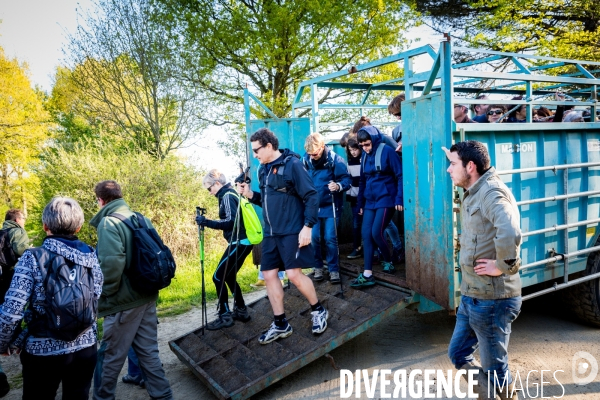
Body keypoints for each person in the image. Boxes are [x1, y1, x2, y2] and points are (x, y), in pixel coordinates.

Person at [0, 197, 103, 400]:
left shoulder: (32, 258)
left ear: (45, 226)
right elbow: (95, 298)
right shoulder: (91, 256)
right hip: (85, 348)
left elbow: (12, 310)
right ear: (79, 227)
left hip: (42, 353)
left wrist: (4, 344)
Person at [445, 141, 522, 400]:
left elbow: (510, 229)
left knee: (495, 369)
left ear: (470, 166)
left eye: (453, 164)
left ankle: (502, 396)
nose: (448, 170)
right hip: (472, 294)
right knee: (458, 354)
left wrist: (503, 266)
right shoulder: (474, 189)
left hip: (492, 299)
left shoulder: (490, 192)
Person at [238, 128, 328, 344]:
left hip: (291, 231)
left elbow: (311, 196)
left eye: (257, 150)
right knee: (269, 275)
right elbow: (268, 200)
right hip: (271, 233)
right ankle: (280, 324)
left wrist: (308, 227)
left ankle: (318, 310)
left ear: (269, 146)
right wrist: (250, 194)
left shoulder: (293, 165)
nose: (255, 154)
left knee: (294, 275)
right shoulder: (263, 169)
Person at [91, 180, 173, 400]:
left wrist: (105, 294)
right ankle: (163, 396)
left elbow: (111, 264)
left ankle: (102, 398)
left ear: (100, 200)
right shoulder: (139, 217)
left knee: (110, 357)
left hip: (124, 303)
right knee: (149, 353)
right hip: (147, 295)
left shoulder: (109, 223)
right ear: (119, 195)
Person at [195, 169, 254, 329]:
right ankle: (241, 310)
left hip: (239, 241)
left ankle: (225, 315)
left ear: (218, 183)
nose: (209, 192)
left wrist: (206, 222)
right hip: (243, 241)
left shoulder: (227, 196)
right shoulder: (229, 195)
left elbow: (230, 222)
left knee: (218, 277)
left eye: (210, 188)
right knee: (228, 276)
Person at [350, 125, 403, 288]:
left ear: (373, 140)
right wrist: (360, 204)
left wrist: (399, 199)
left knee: (376, 232)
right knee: (366, 234)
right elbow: (363, 181)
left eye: (367, 144)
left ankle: (389, 259)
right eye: (362, 145)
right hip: (370, 201)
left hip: (386, 198)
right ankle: (367, 274)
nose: (364, 148)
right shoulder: (365, 157)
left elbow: (400, 175)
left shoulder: (387, 151)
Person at [302, 133, 351, 284]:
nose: (313, 156)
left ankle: (333, 269)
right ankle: (317, 266)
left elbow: (347, 180)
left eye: (315, 153)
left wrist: (337, 186)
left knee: (330, 238)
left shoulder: (336, 160)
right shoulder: (304, 160)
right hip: (313, 206)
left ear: (322, 147)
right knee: (315, 238)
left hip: (331, 205)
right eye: (310, 154)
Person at [0, 209, 29, 302]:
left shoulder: (2, 232)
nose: (24, 221)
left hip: (1, 269)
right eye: (23, 218)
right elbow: (21, 250)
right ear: (17, 220)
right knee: (9, 300)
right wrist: (30, 250)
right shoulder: (18, 231)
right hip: (10, 271)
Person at [344, 137, 363, 259]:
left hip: (366, 198)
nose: (353, 152)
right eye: (351, 150)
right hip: (355, 199)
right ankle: (357, 248)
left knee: (368, 225)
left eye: (355, 149)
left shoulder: (365, 160)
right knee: (356, 224)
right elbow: (349, 181)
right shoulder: (349, 163)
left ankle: (374, 251)